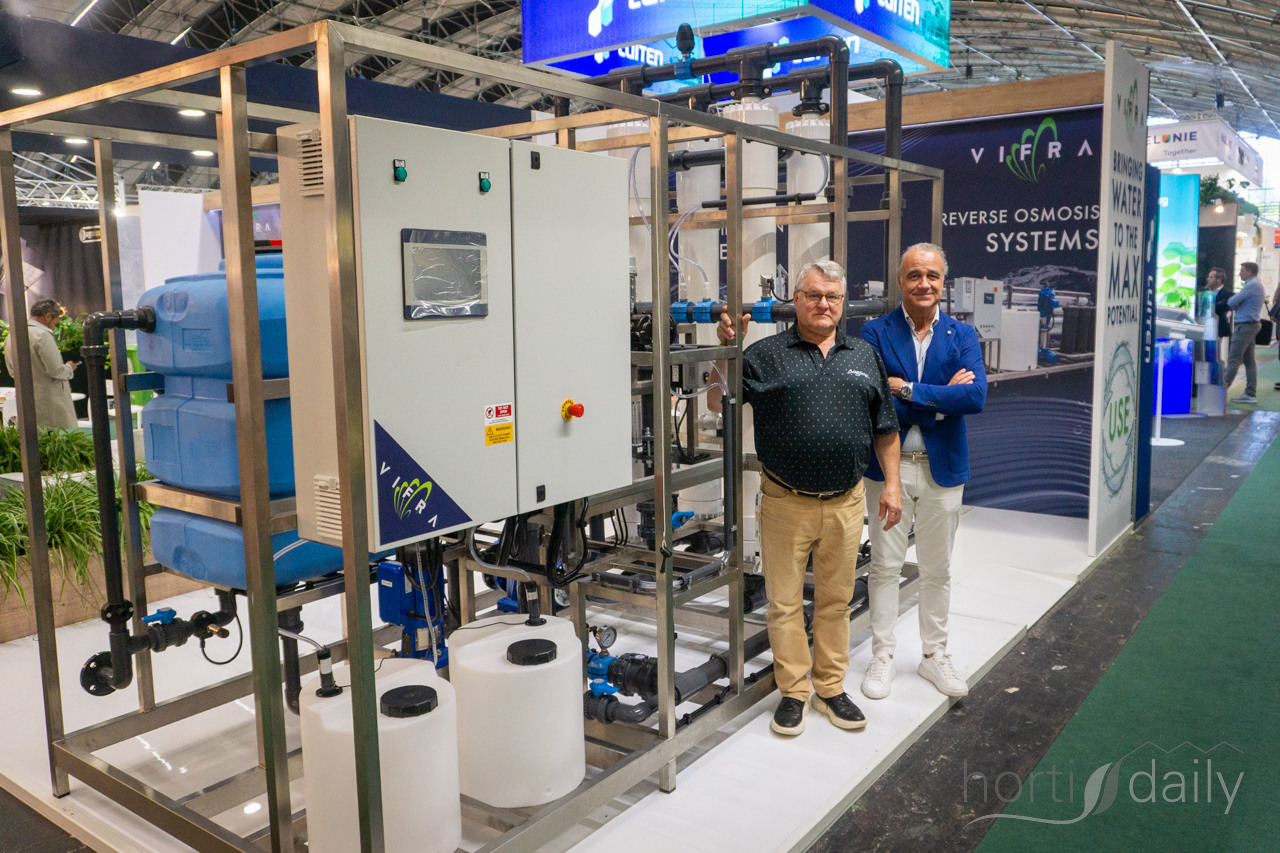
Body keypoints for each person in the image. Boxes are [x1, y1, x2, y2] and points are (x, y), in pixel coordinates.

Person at [716, 259, 902, 737]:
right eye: (814, 295)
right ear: (795, 300)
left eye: (832, 297)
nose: (824, 304)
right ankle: (794, 691)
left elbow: (885, 428)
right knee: (784, 603)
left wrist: (893, 483)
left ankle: (830, 688)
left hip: (846, 502)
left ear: (843, 303)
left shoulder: (864, 355)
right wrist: (728, 351)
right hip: (785, 501)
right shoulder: (765, 354)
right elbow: (720, 401)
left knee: (836, 601)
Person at [858, 243, 987, 701]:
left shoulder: (962, 334)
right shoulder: (875, 332)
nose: (924, 284)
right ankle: (883, 655)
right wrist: (939, 400)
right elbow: (873, 400)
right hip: (887, 470)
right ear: (900, 281)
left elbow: (974, 397)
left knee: (937, 569)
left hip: (942, 469)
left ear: (943, 282)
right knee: (884, 566)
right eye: (914, 275)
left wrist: (909, 391)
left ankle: (934, 655)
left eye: (932, 275)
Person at [3, 298, 79, 430]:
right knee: (55, 439)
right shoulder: (42, 335)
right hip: (50, 403)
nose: (55, 326)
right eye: (56, 322)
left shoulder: (11, 336)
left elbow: (12, 371)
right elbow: (56, 371)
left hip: (26, 402)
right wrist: (69, 368)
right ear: (48, 316)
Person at [1224, 261, 1264, 404]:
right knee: (1249, 361)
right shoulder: (1255, 284)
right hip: (1250, 325)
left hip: (1245, 327)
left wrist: (1237, 303)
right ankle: (1250, 393)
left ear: (1250, 272)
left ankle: (1220, 392)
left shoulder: (1252, 285)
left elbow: (1231, 302)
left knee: (1233, 360)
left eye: (1242, 271)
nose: (1239, 273)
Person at [1208, 267, 1232, 370]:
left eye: (1211, 277)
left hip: (1219, 327)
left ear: (1219, 280)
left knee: (1216, 351)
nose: (1208, 279)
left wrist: (1213, 306)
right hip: (1204, 326)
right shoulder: (1203, 292)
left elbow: (1223, 307)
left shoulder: (1228, 293)